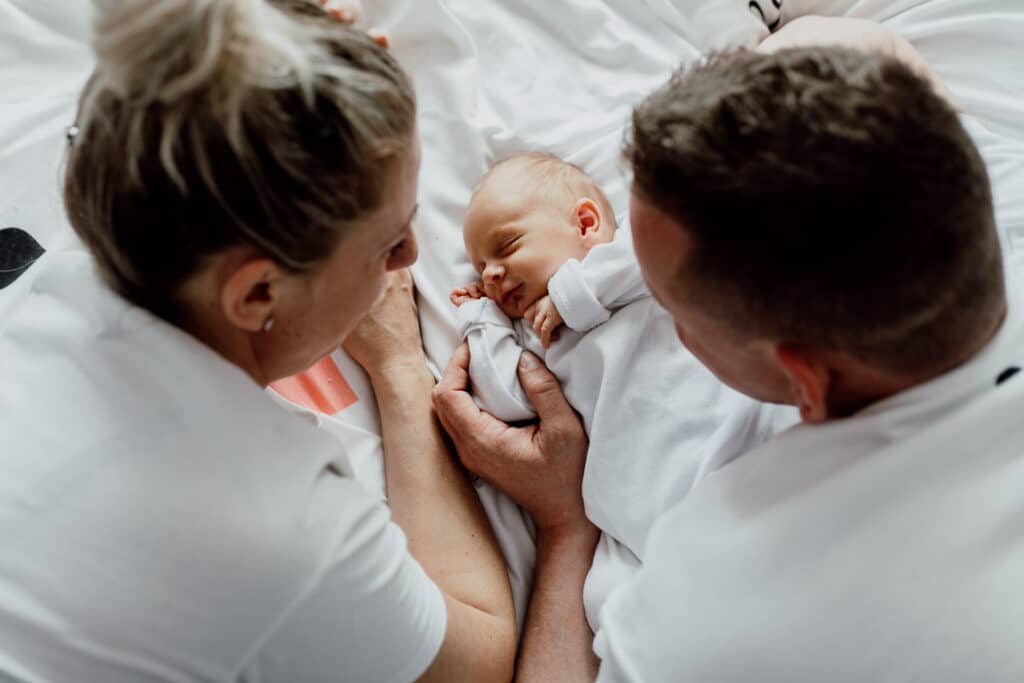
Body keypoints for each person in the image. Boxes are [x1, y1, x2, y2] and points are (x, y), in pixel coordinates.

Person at [432, 17, 1024, 682]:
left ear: (804, 377)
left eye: (676, 310)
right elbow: (843, 41)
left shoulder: (709, 597)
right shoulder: (984, 193)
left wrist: (565, 526)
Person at [0, 1, 515, 681]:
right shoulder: (289, 527)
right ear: (256, 294)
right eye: (390, 242)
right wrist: (399, 369)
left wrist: (265, 52)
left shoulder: (79, 260)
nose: (410, 257)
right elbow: (477, 656)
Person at [451, 152, 792, 633]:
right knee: (605, 598)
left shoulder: (634, 269)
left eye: (506, 246)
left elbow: (671, 242)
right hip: (646, 509)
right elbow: (503, 396)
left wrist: (575, 292)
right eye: (480, 267)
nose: (490, 274)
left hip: (730, 443)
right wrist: (480, 322)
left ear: (586, 224)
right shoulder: (534, 338)